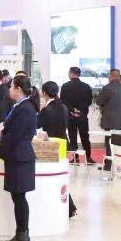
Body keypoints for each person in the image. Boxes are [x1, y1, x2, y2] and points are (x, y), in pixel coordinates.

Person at [0, 75, 38, 241]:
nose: (10, 90)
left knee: (19, 198)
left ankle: (22, 236)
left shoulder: (25, 108)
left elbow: (14, 135)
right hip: (17, 157)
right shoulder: (20, 106)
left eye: (12, 87)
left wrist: (0, 150)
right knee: (17, 197)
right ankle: (22, 235)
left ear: (18, 89)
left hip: (20, 158)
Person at [37, 81, 77, 218]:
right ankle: (69, 208)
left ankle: (68, 208)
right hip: (63, 144)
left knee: (51, 177)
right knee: (60, 176)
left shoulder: (47, 109)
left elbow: (37, 124)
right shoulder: (63, 107)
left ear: (44, 93)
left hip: (50, 146)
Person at [60, 67, 93, 163]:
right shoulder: (86, 86)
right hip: (82, 116)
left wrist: (72, 110)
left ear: (71, 73)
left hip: (70, 116)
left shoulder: (65, 86)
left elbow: (63, 101)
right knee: (85, 137)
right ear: (79, 74)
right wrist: (80, 111)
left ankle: (75, 158)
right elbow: (89, 101)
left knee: (72, 137)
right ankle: (88, 157)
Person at [97, 68, 121, 170]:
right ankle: (118, 165)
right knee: (118, 143)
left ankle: (109, 165)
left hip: (109, 120)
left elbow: (99, 101)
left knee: (109, 143)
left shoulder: (107, 88)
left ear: (111, 76)